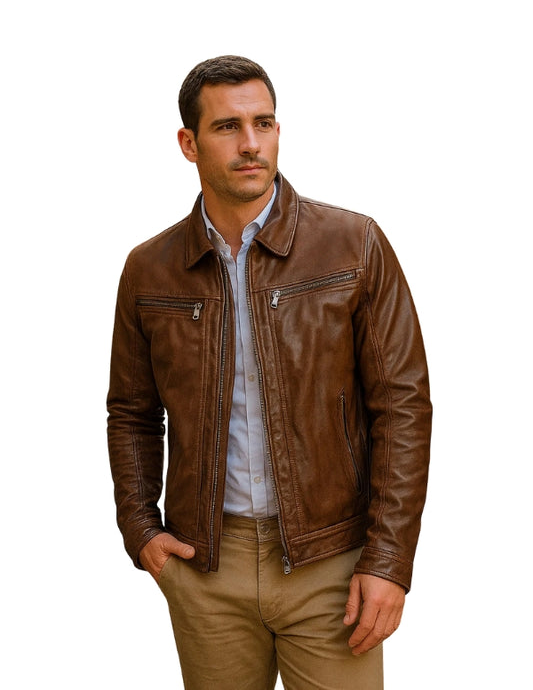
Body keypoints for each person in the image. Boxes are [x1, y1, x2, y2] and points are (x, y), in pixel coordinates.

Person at [107, 55, 432, 690]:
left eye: (263, 123)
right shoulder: (149, 268)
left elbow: (403, 408)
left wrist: (389, 560)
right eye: (228, 127)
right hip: (206, 567)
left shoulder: (353, 244)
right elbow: (132, 413)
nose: (251, 143)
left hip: (332, 563)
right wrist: (140, 528)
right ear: (189, 143)